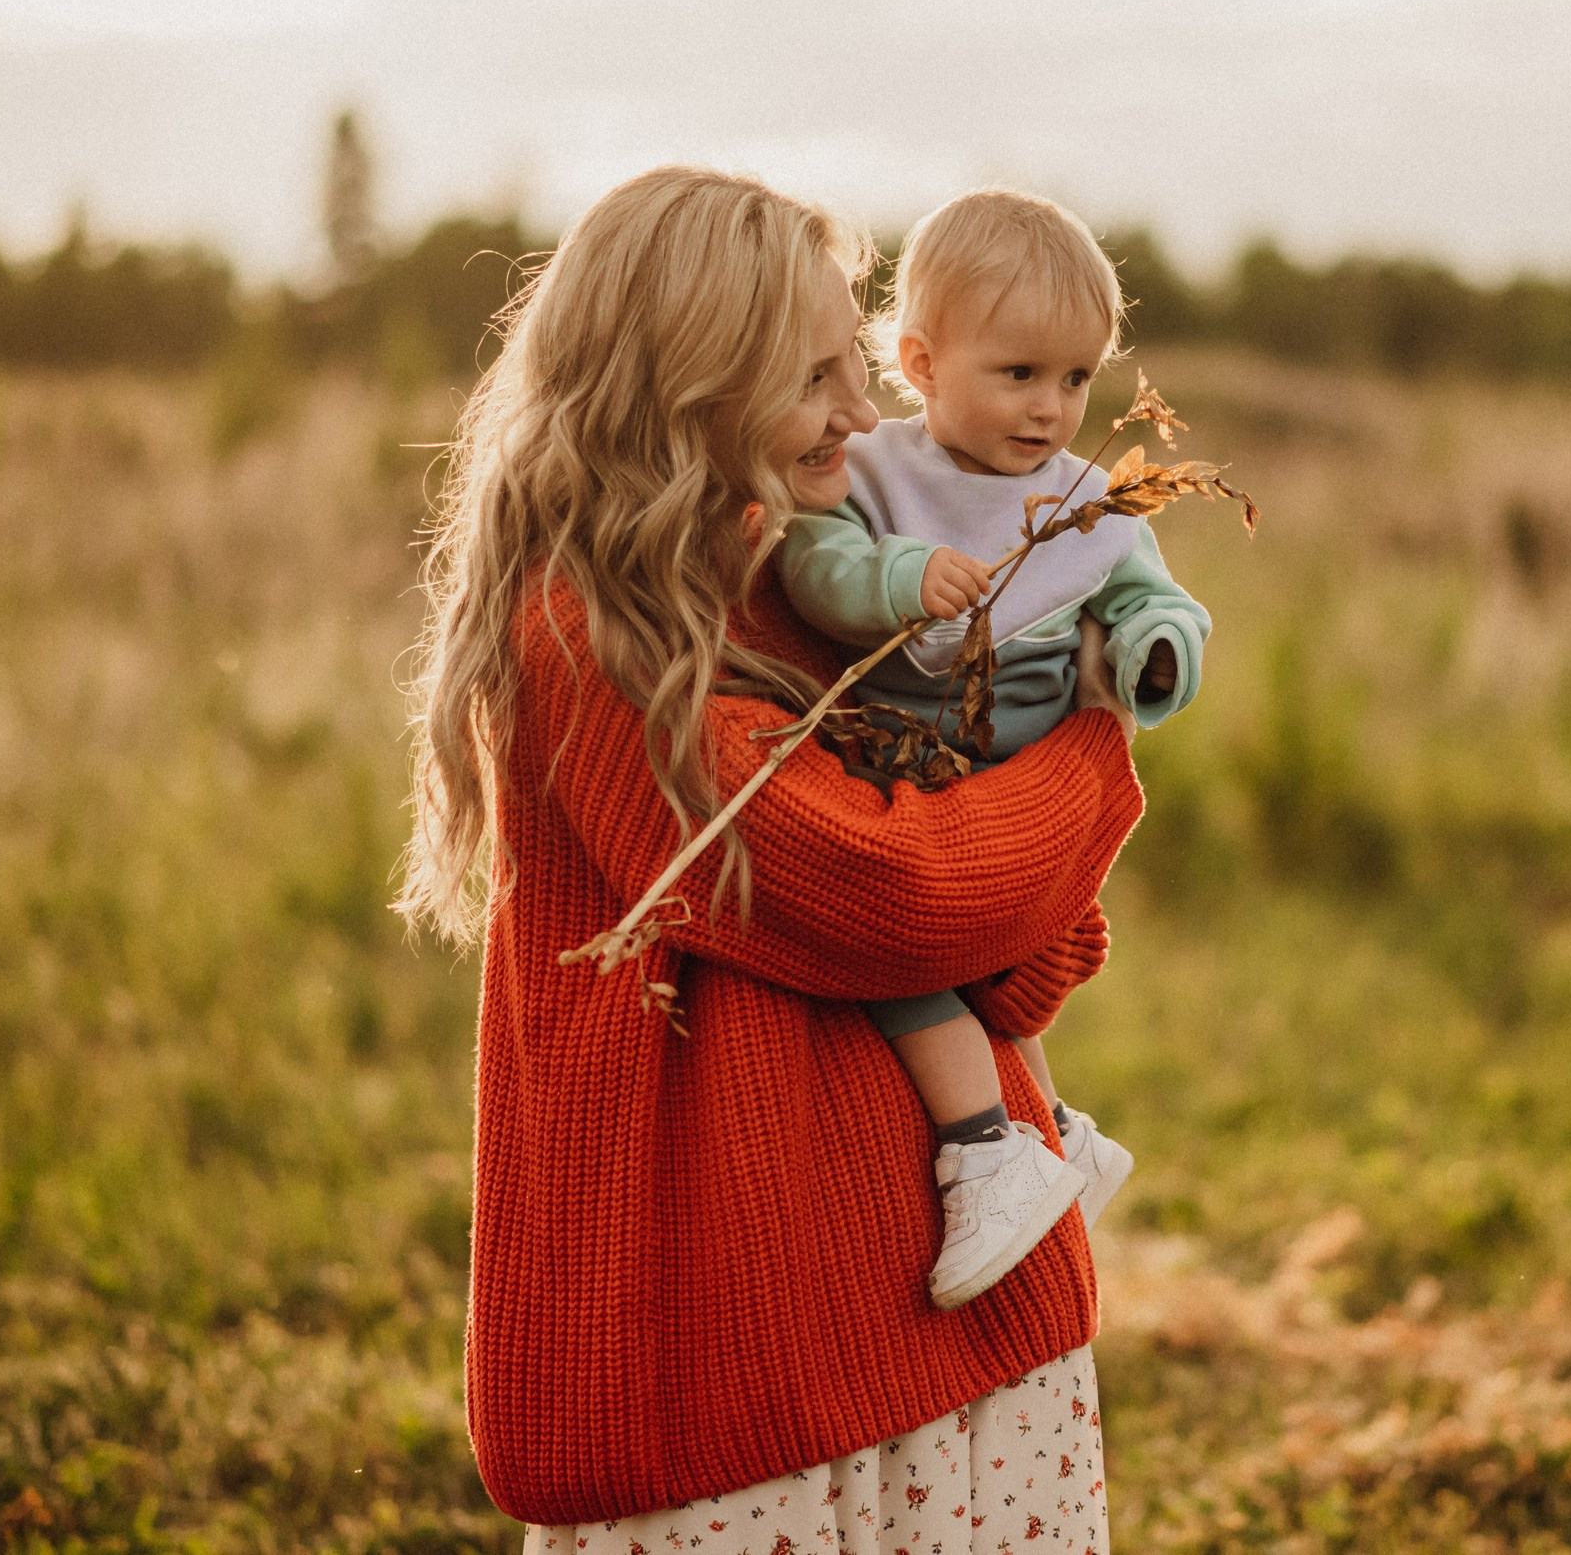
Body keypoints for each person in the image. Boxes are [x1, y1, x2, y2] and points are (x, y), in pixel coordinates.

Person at [396, 166, 1139, 1550]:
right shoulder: (592, 636)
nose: (867, 413)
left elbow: (1031, 954)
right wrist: (1093, 750)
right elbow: (897, 895)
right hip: (749, 1363)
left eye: (859, 362)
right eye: (815, 376)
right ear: (686, 388)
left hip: (931, 1310)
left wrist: (1001, 864)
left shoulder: (805, 583)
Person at [779, 189, 1211, 1311]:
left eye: (1076, 379)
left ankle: (990, 1146)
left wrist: (1153, 656)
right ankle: (1041, 1131)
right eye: (1018, 374)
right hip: (913, 761)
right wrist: (898, 580)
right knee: (923, 963)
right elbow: (810, 566)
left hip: (1012, 772)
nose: (1054, 410)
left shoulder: (1084, 503)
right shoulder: (872, 474)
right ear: (920, 361)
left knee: (929, 966)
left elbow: (1154, 600)